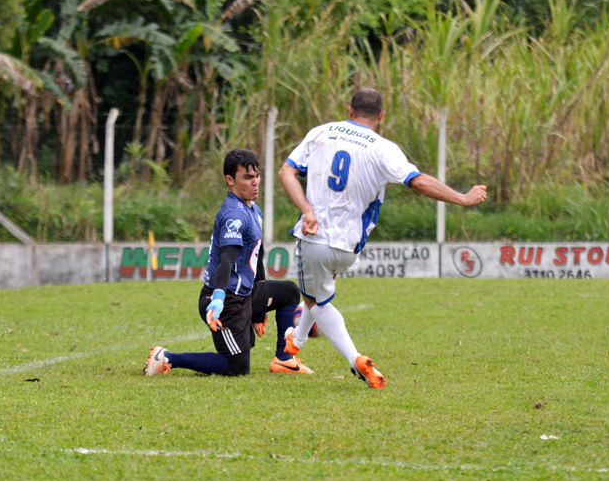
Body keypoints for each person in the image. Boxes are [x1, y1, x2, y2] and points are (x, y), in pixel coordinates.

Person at [278, 88, 487, 389]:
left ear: (349, 110)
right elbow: (418, 181)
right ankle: (295, 342)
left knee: (316, 300)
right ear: (381, 116)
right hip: (349, 246)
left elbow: (287, 171)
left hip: (315, 237)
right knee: (319, 289)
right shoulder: (383, 147)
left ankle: (355, 360)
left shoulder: (320, 133)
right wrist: (462, 198)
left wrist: (306, 210)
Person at [144, 148, 314, 377]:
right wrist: (218, 297)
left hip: (245, 293)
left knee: (290, 292)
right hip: (226, 300)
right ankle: (166, 357)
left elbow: (258, 254)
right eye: (247, 177)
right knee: (237, 368)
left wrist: (260, 307)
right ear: (230, 180)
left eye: (257, 176)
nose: (255, 183)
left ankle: (284, 359)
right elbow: (226, 259)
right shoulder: (234, 215)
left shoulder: (253, 210)